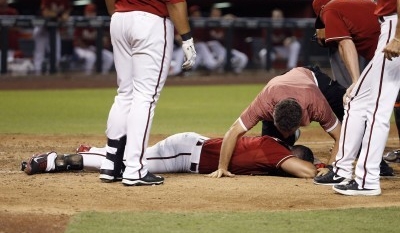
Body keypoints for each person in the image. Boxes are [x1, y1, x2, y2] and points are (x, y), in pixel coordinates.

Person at [100, 0, 196, 186]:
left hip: (119, 19)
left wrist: (122, 15)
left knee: (125, 93)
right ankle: (135, 168)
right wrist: (187, 39)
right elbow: (175, 3)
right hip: (150, 22)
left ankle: (111, 164)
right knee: (145, 96)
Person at [313, 0, 400, 196]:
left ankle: (367, 180)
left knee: (377, 109)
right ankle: (342, 170)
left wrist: (398, 37)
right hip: (389, 25)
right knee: (356, 99)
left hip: (395, 26)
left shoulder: (330, 10)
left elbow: (345, 44)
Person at [206, 66, 344, 179]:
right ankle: (289, 136)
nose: (284, 134)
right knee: (273, 145)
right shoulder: (264, 103)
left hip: (313, 80)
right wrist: (222, 167)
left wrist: (331, 168)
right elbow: (233, 131)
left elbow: (340, 135)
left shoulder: (317, 105)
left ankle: (362, 147)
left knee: (349, 105)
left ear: (300, 123)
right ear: (272, 115)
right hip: (281, 84)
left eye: (289, 131)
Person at [21, 132, 318, 179]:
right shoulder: (274, 150)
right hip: (185, 153)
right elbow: (305, 172)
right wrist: (321, 166)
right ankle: (56, 161)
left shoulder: (269, 145)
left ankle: (94, 152)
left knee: (137, 158)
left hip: (188, 148)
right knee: (130, 165)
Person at [73, 3, 114, 75]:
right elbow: (77, 40)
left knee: (109, 57)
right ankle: (87, 77)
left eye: (92, 12)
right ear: (85, 12)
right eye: (88, 12)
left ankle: (101, 77)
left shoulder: (98, 23)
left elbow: (107, 40)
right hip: (81, 48)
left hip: (94, 48)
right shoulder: (81, 23)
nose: (90, 14)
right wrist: (89, 48)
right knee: (91, 57)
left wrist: (104, 41)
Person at [33, 0, 71, 75]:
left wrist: (62, 16)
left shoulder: (65, 1)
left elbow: (66, 15)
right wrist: (59, 17)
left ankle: (52, 76)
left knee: (57, 55)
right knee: (39, 54)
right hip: (41, 27)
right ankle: (37, 75)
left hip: (53, 29)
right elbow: (46, 13)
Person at [206, 7, 249, 74]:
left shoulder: (223, 23)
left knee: (243, 58)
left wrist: (230, 17)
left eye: (217, 15)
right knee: (214, 44)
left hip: (224, 49)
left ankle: (234, 77)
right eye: (214, 15)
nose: (216, 17)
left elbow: (235, 19)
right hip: (210, 52)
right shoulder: (206, 24)